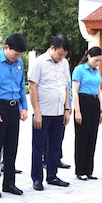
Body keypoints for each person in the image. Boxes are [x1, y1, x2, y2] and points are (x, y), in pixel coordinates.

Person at [0, 33, 29, 198]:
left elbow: (22, 85)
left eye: (19, 55)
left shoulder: (19, 63)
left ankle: (9, 183)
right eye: (15, 54)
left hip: (13, 107)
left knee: (12, 146)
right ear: (6, 48)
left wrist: (24, 107)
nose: (16, 57)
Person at [29, 34, 72, 190]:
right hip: (43, 113)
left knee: (55, 146)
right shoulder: (39, 62)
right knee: (38, 147)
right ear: (52, 48)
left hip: (59, 112)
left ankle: (52, 175)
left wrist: (67, 109)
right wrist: (37, 112)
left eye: (64, 55)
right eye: (59, 54)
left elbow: (66, 87)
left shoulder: (64, 64)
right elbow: (32, 87)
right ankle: (37, 178)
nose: (61, 57)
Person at [72, 46, 102, 180]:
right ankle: (80, 170)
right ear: (89, 56)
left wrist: (101, 110)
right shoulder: (79, 70)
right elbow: (75, 91)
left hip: (94, 103)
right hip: (83, 102)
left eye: (100, 61)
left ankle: (89, 169)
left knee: (92, 137)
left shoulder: (96, 72)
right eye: (96, 60)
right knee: (82, 138)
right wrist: (77, 111)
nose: (98, 63)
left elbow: (98, 91)